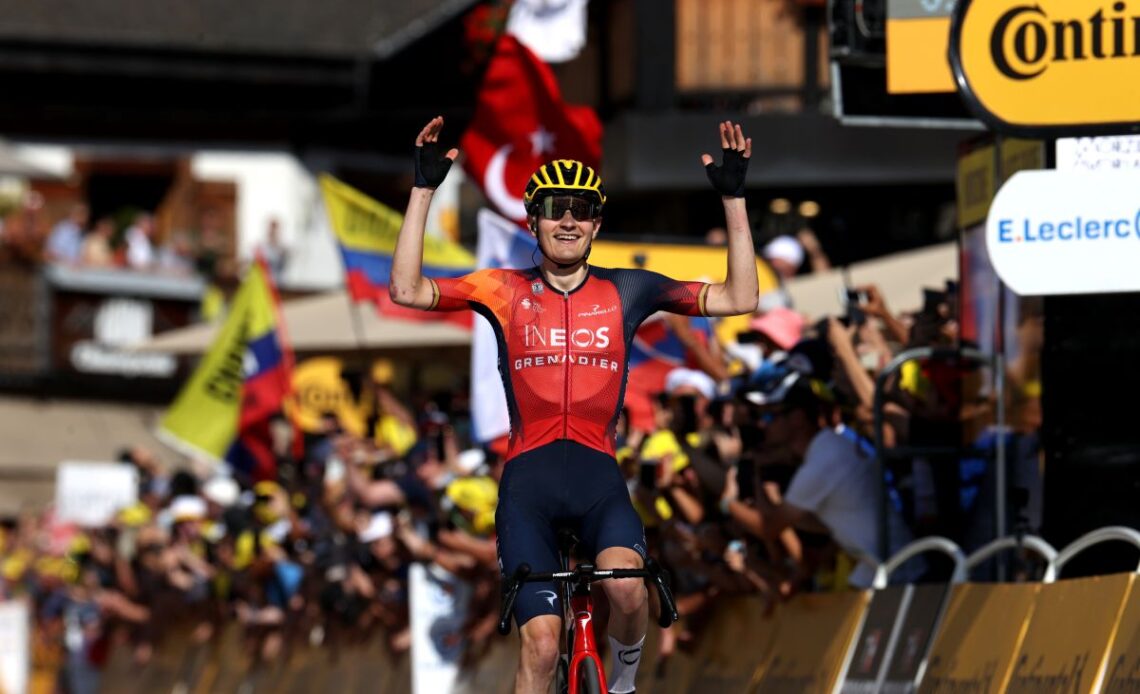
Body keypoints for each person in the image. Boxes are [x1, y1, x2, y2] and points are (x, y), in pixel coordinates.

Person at [390, 116, 758, 694]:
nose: (568, 218)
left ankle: (627, 682)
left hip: (596, 480)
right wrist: (422, 192)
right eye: (556, 207)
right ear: (533, 220)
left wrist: (734, 200)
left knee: (629, 589)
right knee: (540, 643)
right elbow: (407, 290)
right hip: (528, 486)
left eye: (582, 209)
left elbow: (740, 297)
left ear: (597, 223)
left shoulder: (629, 289)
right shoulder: (502, 288)